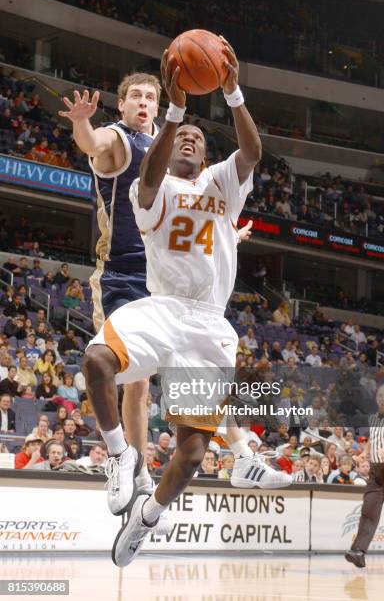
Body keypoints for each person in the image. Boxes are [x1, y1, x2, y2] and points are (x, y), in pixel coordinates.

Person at [83, 41, 291, 567]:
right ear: (169, 146)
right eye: (183, 138)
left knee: (193, 453)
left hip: (208, 326)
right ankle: (120, 455)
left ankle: (148, 516)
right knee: (96, 360)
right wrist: (175, 109)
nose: (192, 142)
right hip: (162, 308)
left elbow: (251, 153)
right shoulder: (148, 193)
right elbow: (148, 171)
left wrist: (232, 90)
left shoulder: (223, 181)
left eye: (200, 138)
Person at [61, 68, 255, 502]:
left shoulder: (172, 144)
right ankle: (132, 467)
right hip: (125, 270)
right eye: (135, 97)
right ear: (123, 104)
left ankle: (238, 453)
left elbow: (196, 213)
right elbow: (92, 144)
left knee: (198, 357)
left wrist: (227, 234)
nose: (144, 103)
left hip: (171, 279)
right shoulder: (118, 138)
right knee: (135, 380)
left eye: (151, 96)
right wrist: (80, 122)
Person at [345, 384, 384, 568]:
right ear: (376, 399)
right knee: (369, 511)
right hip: (375, 472)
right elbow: (373, 440)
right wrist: (365, 453)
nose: (382, 399)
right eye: (380, 395)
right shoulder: (373, 418)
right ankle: (358, 551)